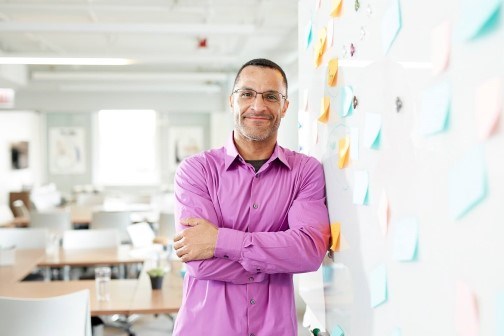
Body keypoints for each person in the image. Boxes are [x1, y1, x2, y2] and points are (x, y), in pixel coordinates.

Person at [172, 58, 330, 335]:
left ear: (285, 106)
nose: (258, 106)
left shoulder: (305, 172)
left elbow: (309, 251)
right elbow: (198, 261)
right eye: (247, 94)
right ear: (231, 101)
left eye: (271, 96)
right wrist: (276, 259)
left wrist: (220, 241)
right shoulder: (196, 170)